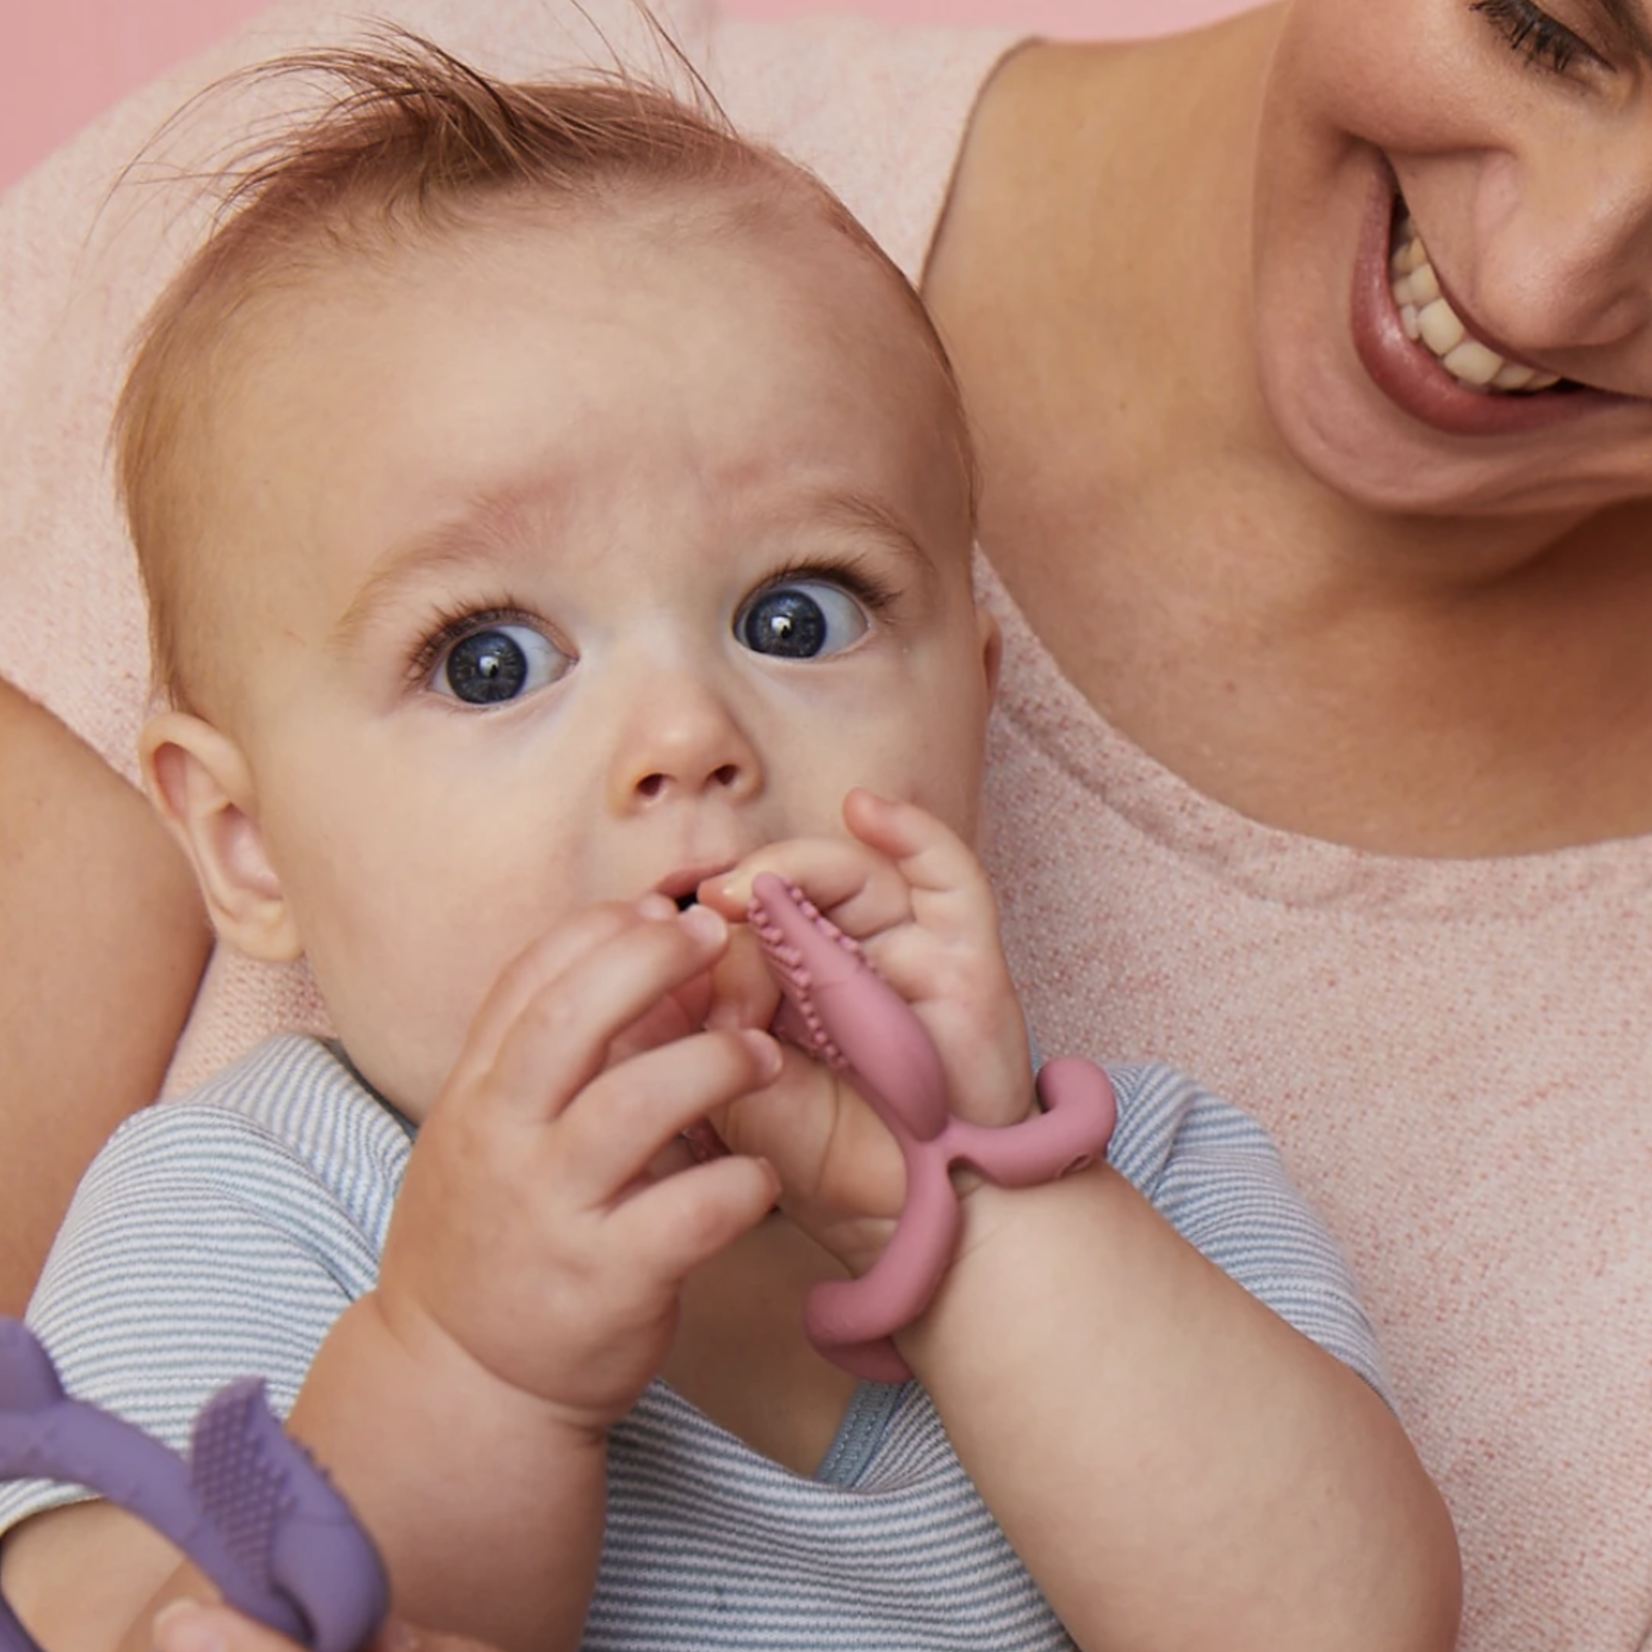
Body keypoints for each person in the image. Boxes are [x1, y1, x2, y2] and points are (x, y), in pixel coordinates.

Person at [1, 0, 1647, 1646]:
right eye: (490, 660)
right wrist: (467, 1368)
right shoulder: (252, 1201)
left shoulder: (1131, 1183)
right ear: (247, 844)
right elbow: (122, 1623)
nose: (689, 740)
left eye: (798, 619)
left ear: (973, 711)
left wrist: (969, 1214)